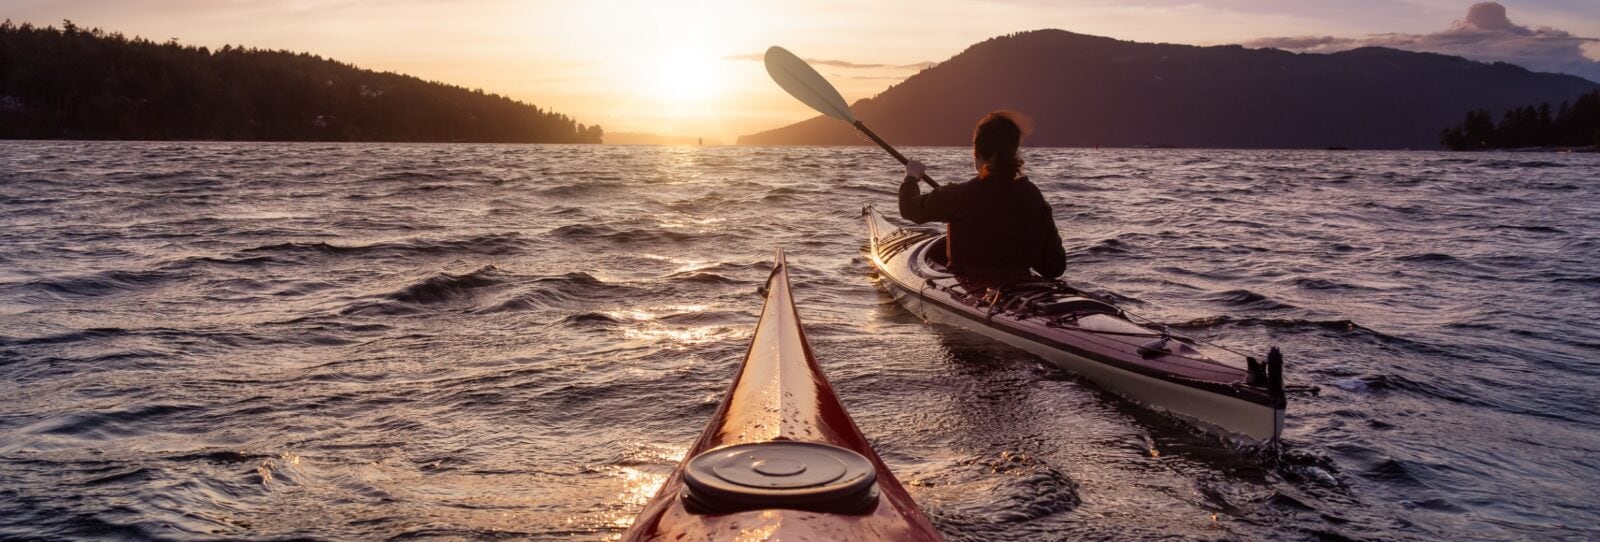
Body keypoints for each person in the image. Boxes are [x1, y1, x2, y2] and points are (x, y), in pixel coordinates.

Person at [898, 111, 1067, 280]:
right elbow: (1054, 267)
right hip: (1020, 287)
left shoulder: (959, 195)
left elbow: (908, 208)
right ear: (1014, 152)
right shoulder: (1033, 197)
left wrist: (911, 177)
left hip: (967, 289)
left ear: (976, 154)